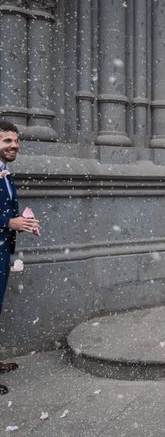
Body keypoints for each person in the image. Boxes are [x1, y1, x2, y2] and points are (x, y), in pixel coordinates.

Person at [0, 121, 40, 395]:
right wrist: (7, 222)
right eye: (7, 141)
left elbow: (10, 207)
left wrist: (25, 220)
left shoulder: (6, 172)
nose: (14, 145)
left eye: (15, 140)